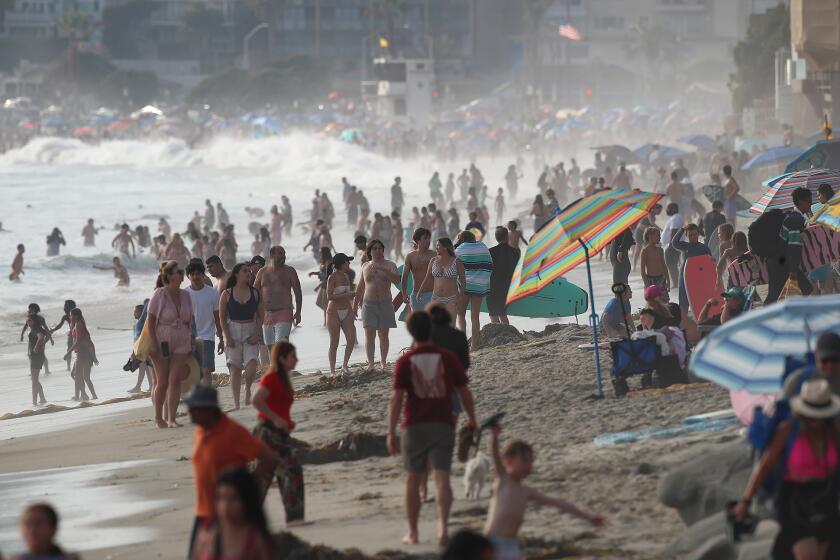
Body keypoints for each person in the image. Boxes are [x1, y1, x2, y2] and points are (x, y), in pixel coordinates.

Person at [387, 311, 477, 546]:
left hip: (414, 426)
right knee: (442, 478)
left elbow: (396, 399)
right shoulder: (447, 358)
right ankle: (443, 528)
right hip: (443, 424)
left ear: (410, 331)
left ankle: (414, 533)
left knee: (413, 480)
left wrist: (390, 432)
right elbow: (464, 391)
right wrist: (472, 418)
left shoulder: (405, 362)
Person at [735, 379, 840, 560]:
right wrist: (746, 501)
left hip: (826, 496)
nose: (817, 422)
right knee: (808, 556)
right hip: (794, 499)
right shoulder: (789, 430)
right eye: (812, 416)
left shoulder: (834, 433)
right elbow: (765, 465)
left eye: (821, 416)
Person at [483, 425, 604, 560]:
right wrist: (494, 435)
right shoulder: (503, 481)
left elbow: (559, 503)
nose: (529, 465)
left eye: (531, 461)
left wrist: (588, 517)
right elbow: (494, 454)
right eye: (524, 461)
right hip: (491, 543)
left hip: (511, 545)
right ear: (508, 461)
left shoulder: (527, 492)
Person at [183, 385, 277, 558]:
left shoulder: (233, 432)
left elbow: (268, 458)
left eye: (194, 408)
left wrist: (248, 487)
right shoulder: (201, 430)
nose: (189, 411)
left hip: (228, 513)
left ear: (208, 410)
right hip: (203, 512)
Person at [251, 341, 305, 525]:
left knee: (268, 476)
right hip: (267, 432)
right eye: (292, 357)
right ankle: (294, 518)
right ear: (281, 358)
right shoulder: (272, 377)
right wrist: (275, 419)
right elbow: (256, 400)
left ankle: (294, 517)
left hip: (277, 433)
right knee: (288, 470)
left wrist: (286, 422)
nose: (296, 360)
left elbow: (279, 404)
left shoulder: (283, 378)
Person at [147, 260, 194, 428]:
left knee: (175, 380)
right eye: (177, 271)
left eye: (181, 271)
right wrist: (153, 343)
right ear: (168, 276)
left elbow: (190, 321)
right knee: (162, 381)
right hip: (161, 340)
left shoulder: (186, 295)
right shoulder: (159, 294)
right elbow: (150, 321)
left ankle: (171, 419)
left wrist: (191, 340)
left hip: (182, 340)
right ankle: (158, 417)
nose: (181, 274)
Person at [190, 468, 274, 560]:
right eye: (221, 498)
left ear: (247, 501)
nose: (225, 506)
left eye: (233, 498)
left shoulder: (256, 539)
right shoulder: (206, 534)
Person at [220, 263, 264, 409]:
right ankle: (237, 403)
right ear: (236, 274)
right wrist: (227, 337)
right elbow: (222, 318)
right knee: (234, 368)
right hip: (233, 330)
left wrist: (256, 334)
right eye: (245, 271)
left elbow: (261, 316)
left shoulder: (255, 293)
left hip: (250, 330)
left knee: (251, 366)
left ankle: (248, 389)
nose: (249, 273)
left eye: (249, 271)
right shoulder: (226, 294)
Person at [354, 239, 400, 370]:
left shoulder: (390, 264)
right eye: (375, 248)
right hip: (368, 304)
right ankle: (371, 364)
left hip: (385, 303)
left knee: (383, 334)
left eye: (380, 248)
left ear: (383, 250)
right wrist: (354, 305)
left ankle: (383, 362)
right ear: (370, 251)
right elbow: (360, 287)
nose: (378, 250)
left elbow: (397, 280)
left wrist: (386, 271)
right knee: (369, 334)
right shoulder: (365, 266)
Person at [767, 187, 814, 303]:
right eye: (809, 200)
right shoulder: (796, 220)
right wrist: (793, 270)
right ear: (801, 202)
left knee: (776, 295)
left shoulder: (794, 217)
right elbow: (794, 247)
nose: (811, 203)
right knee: (804, 289)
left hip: (779, 262)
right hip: (781, 264)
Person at [253, 246, 302, 348]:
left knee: (280, 346)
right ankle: (276, 364)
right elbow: (254, 293)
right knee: (270, 347)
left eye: (284, 254)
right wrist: (254, 313)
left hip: (284, 312)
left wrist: (298, 312)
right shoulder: (262, 272)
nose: (283, 256)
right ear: (271, 255)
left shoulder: (290, 271)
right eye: (280, 254)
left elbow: (298, 293)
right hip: (266, 314)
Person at [186, 260, 223, 387]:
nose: (195, 277)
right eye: (192, 274)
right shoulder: (184, 295)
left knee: (207, 370)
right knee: (192, 371)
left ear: (203, 275)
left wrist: (222, 338)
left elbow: (217, 317)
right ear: (188, 276)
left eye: (198, 274)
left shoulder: (213, 293)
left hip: (208, 336)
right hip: (189, 338)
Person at [455, 231, 493, 352]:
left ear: (461, 239)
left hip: (464, 285)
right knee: (475, 317)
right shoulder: (483, 246)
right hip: (479, 285)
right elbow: (489, 265)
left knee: (460, 315)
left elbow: (452, 263)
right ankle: (474, 346)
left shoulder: (460, 248)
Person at [418, 237, 466, 319]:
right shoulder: (433, 261)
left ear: (445, 247)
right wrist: (420, 292)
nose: (436, 247)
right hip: (436, 297)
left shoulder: (457, 262)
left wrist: (461, 297)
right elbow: (427, 278)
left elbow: (463, 282)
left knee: (450, 325)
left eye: (438, 245)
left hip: (452, 298)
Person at [783, 332, 840, 400]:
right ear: (816, 358)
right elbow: (783, 407)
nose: (830, 365)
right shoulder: (797, 381)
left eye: (835, 360)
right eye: (825, 360)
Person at [325, 253, 357, 374]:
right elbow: (329, 296)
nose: (349, 264)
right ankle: (333, 371)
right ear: (342, 263)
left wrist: (353, 308)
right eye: (347, 262)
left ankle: (344, 365)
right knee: (334, 342)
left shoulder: (346, 276)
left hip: (347, 310)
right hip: (333, 312)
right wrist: (347, 295)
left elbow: (349, 296)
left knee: (351, 339)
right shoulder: (332, 277)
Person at [671, 223, 710, 314]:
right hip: (684, 278)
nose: (693, 237)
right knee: (683, 304)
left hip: (698, 279)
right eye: (690, 235)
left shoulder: (704, 248)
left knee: (699, 302)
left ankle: (700, 322)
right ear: (687, 236)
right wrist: (682, 229)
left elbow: (710, 265)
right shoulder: (684, 246)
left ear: (698, 234)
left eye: (695, 235)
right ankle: (684, 322)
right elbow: (674, 242)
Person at [487, 227, 519, 325]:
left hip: (493, 286)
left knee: (493, 314)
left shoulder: (490, 251)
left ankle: (497, 334)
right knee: (503, 313)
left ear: (496, 238)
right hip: (508, 287)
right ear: (507, 237)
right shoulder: (515, 252)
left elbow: (487, 269)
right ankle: (507, 333)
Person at [65, 308, 98, 401]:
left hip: (83, 353)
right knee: (75, 375)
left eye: (71, 315)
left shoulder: (79, 325)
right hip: (80, 353)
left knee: (80, 376)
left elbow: (78, 341)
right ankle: (83, 395)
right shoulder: (77, 324)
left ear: (76, 316)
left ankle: (84, 396)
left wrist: (68, 352)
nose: (70, 317)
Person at [402, 228, 435, 314]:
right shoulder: (410, 256)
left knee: (431, 324)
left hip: (432, 294)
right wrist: (404, 293)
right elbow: (404, 277)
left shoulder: (434, 255)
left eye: (429, 238)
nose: (428, 240)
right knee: (418, 324)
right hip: (416, 294)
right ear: (418, 240)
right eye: (425, 238)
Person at [128, 302, 154, 394]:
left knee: (144, 368)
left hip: (144, 349)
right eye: (134, 311)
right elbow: (135, 339)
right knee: (145, 368)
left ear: (141, 313)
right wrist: (134, 351)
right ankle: (151, 386)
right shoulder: (136, 323)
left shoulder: (143, 324)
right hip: (139, 348)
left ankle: (139, 387)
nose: (134, 313)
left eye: (136, 312)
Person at [25, 312, 48, 406]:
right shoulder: (39, 328)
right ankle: (42, 398)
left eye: (29, 320)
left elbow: (41, 337)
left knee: (34, 380)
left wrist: (36, 347)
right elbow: (48, 334)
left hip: (36, 357)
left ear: (34, 321)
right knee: (34, 379)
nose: (27, 322)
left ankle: (34, 402)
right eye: (27, 320)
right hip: (39, 356)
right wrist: (43, 344)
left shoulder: (35, 329)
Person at [639, 227, 669, 294]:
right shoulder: (645, 251)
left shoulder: (660, 250)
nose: (660, 237)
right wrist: (646, 284)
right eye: (658, 235)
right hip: (650, 280)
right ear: (650, 236)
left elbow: (664, 266)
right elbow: (642, 270)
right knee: (653, 302)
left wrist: (668, 281)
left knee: (664, 302)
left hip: (661, 279)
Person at [50, 299, 77, 373]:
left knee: (80, 350)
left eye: (66, 306)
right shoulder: (65, 316)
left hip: (79, 334)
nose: (64, 308)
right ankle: (68, 367)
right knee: (69, 350)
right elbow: (60, 325)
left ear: (70, 307)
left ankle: (86, 363)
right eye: (64, 306)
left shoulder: (77, 314)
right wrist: (53, 330)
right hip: (71, 335)